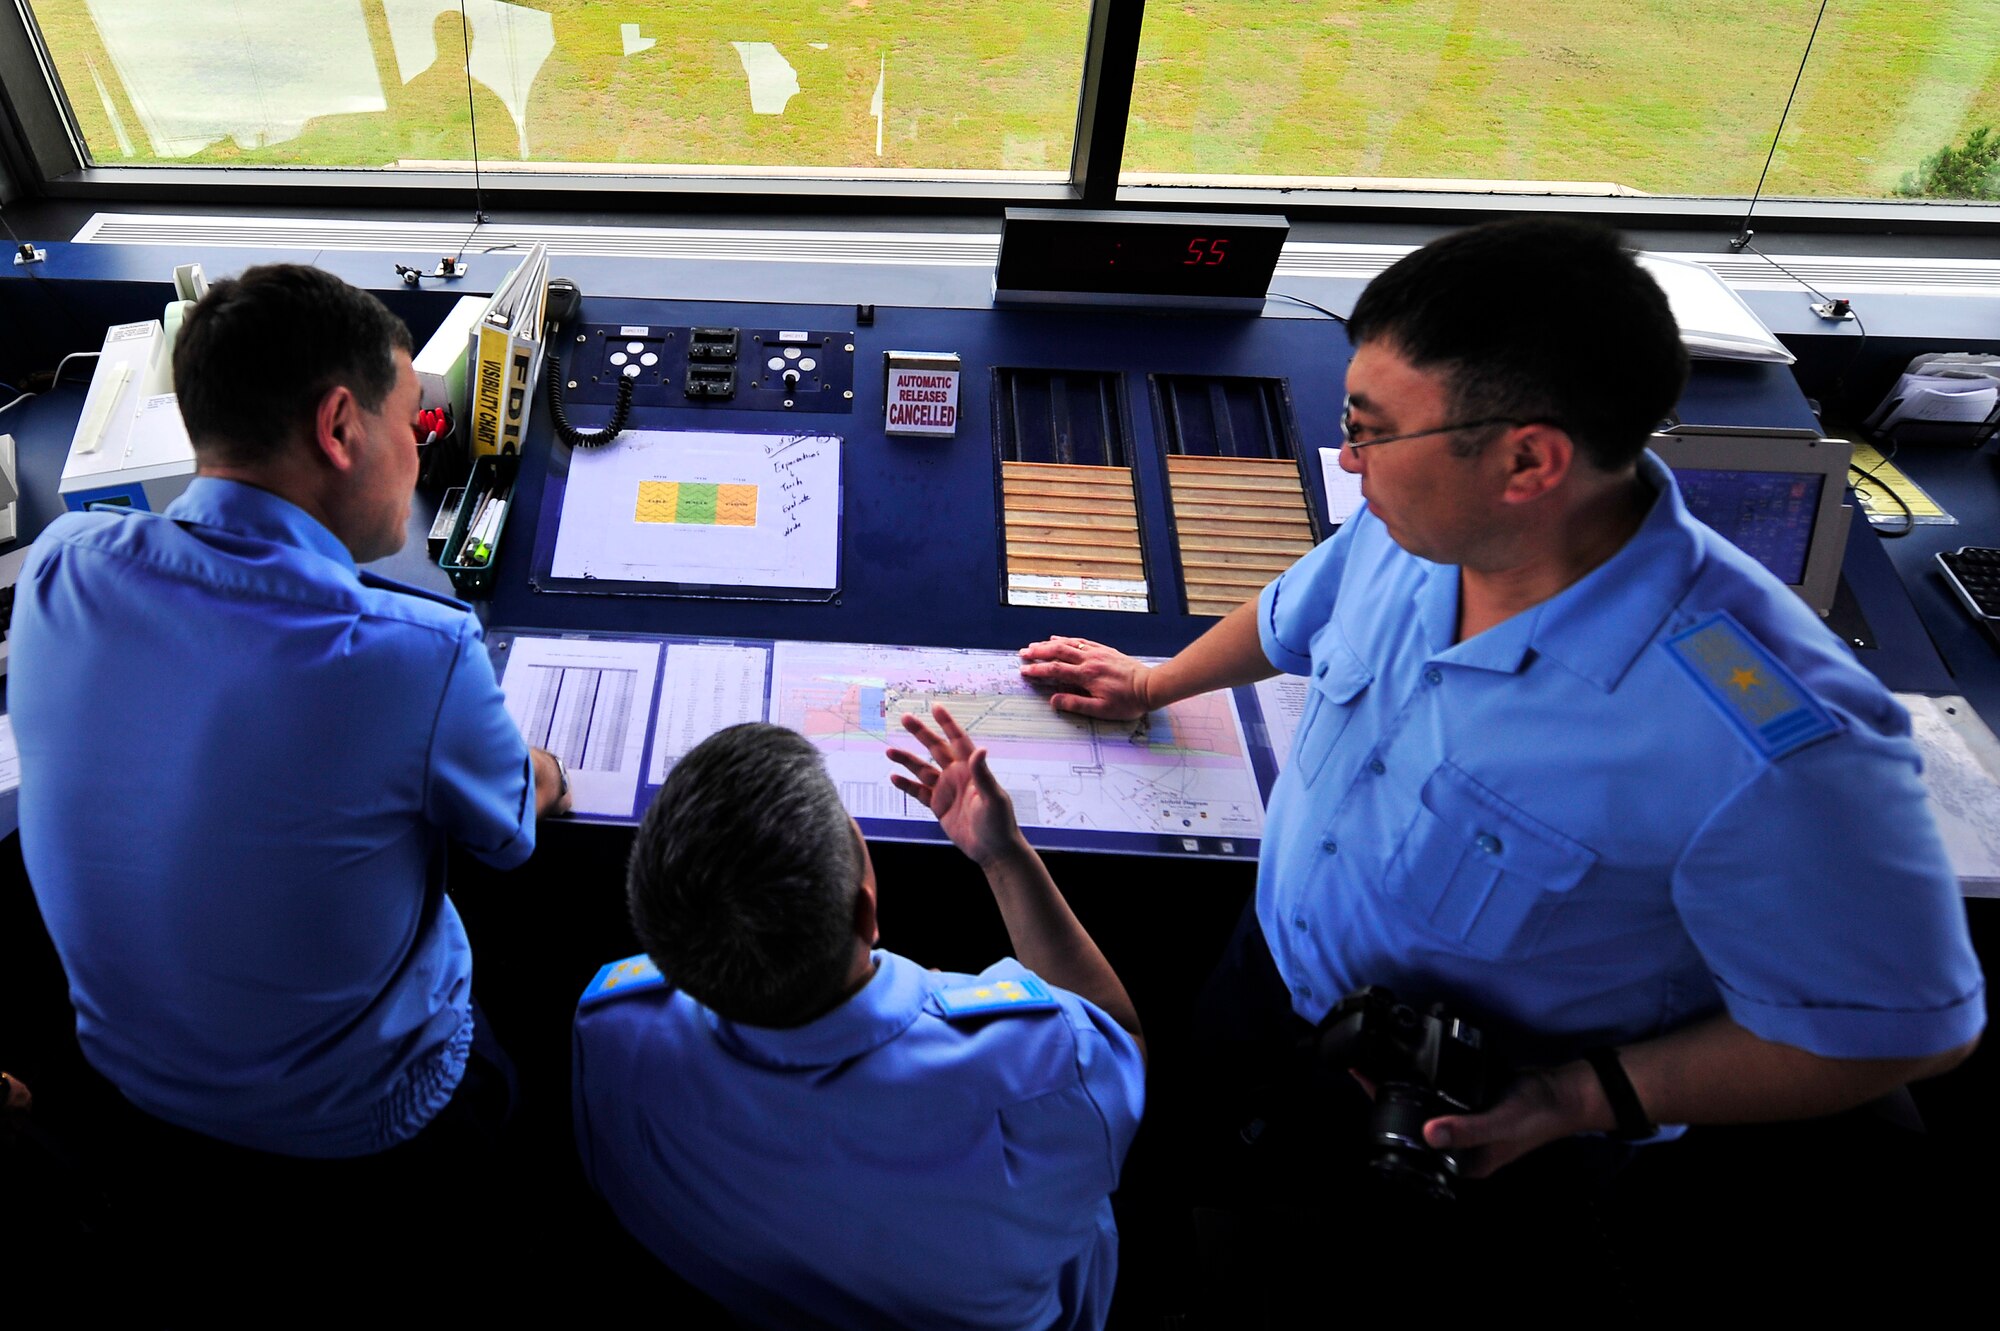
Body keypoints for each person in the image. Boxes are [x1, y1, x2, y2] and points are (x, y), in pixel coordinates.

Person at [1018, 219, 1982, 1186]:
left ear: (1529, 463)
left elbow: (1899, 1029)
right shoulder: (1424, 524)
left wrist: (1582, 1096)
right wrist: (1154, 680)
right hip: (1265, 979)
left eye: (1370, 430)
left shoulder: (1783, 746)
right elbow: (1290, 616)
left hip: (1470, 1127)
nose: (1348, 461)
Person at [9, 265, 570, 1261]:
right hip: (373, 1136)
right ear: (340, 426)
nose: (419, 445)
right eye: (412, 420)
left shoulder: (60, 564)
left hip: (136, 1115)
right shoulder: (419, 655)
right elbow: (515, 828)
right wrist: (547, 766)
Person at [573, 712, 1146, 1330]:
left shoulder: (611, 1029)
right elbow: (1119, 1039)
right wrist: (1003, 857)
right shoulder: (1037, 1065)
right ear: (866, 912)